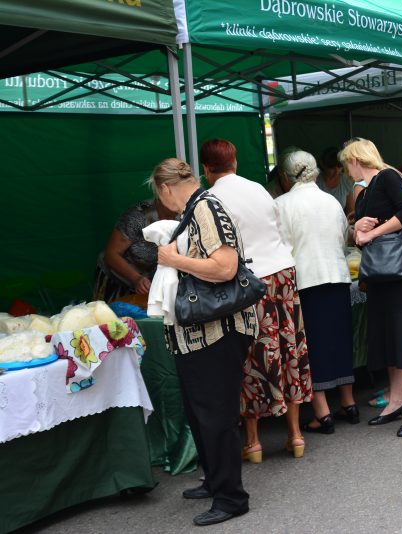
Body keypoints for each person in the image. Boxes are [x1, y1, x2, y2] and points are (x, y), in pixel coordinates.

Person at [151, 158, 256, 527]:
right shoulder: (196, 209)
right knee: (201, 414)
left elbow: (226, 267)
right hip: (199, 335)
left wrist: (174, 260)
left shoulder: (206, 208)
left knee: (216, 415)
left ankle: (231, 497)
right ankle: (215, 481)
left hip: (218, 331)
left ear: (165, 188)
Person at [200, 139, 312, 462]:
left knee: (250, 354)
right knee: (290, 347)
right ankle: (295, 434)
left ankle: (253, 441)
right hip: (283, 272)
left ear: (207, 169)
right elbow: (277, 231)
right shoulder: (259, 189)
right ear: (234, 162)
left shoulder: (210, 198)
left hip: (249, 280)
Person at [342, 138, 402, 436]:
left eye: (347, 162)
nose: (347, 170)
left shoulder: (386, 177)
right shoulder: (364, 192)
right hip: (381, 270)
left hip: (401, 265)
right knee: (390, 331)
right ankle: (397, 399)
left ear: (355, 159)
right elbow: (360, 228)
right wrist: (358, 229)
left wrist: (371, 234)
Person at [276, 150, 358, 434]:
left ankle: (322, 413)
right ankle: (348, 402)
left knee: (313, 345)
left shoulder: (282, 204)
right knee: (340, 338)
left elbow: (282, 248)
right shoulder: (331, 201)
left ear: (286, 177)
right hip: (337, 274)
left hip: (306, 279)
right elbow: (341, 237)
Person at [93, 198, 176, 305]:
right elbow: (111, 255)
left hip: (149, 281)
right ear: (165, 192)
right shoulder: (138, 216)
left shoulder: (185, 215)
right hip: (118, 279)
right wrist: (136, 279)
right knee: (115, 317)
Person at [317, 146, 355, 216]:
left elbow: (351, 212)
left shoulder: (346, 181)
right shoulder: (316, 181)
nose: (336, 171)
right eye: (331, 167)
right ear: (323, 165)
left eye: (339, 166)